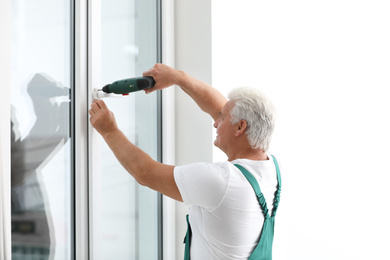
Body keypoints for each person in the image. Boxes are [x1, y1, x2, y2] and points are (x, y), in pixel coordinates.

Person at [89, 63, 281, 260]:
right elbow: (219, 107)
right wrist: (177, 77)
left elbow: (145, 172)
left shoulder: (222, 181)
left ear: (240, 127)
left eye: (222, 118)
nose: (216, 122)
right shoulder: (270, 168)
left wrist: (109, 130)